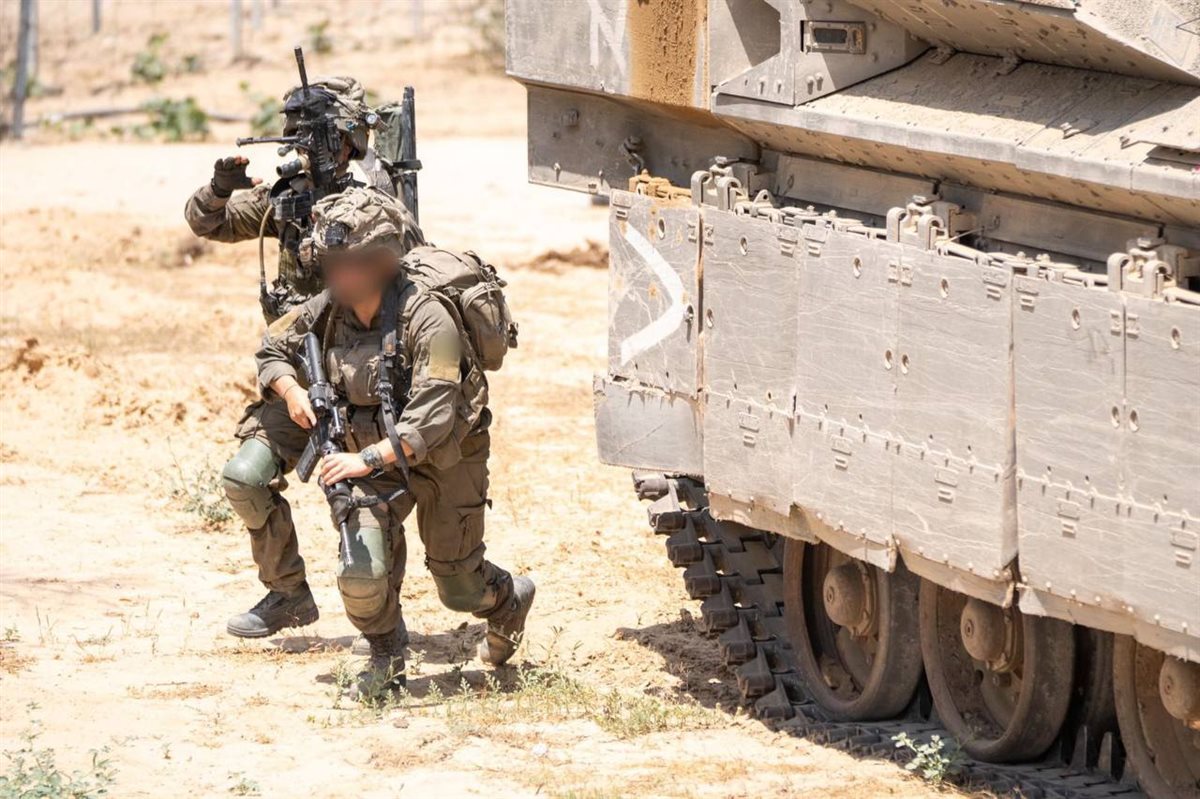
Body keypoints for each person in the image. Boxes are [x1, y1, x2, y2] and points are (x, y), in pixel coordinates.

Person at [253, 186, 535, 695]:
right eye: (331, 264)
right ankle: (385, 654)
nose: (338, 276)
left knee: (459, 586)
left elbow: (432, 418)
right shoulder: (327, 307)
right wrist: (292, 390)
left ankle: (509, 602)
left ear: (383, 261)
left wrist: (363, 459)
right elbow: (273, 346)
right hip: (371, 460)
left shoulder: (429, 319)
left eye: (351, 264)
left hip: (446, 458)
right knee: (360, 573)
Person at [183, 76, 409, 648]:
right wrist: (219, 188)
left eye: (321, 138)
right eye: (300, 138)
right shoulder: (286, 199)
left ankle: (382, 621)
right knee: (245, 478)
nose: (309, 149)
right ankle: (288, 594)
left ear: (350, 141)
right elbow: (207, 222)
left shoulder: (378, 206)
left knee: (369, 506)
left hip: (362, 385)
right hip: (295, 379)